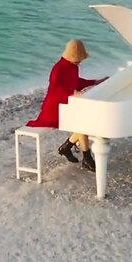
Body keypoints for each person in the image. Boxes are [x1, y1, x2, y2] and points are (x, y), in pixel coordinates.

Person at [27, 39, 107, 171]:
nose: (79, 62)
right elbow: (57, 90)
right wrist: (73, 94)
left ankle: (68, 148)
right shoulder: (57, 69)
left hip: (67, 105)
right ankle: (86, 157)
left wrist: (95, 82)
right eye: (78, 59)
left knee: (85, 121)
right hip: (54, 109)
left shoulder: (72, 66)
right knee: (82, 123)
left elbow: (76, 82)